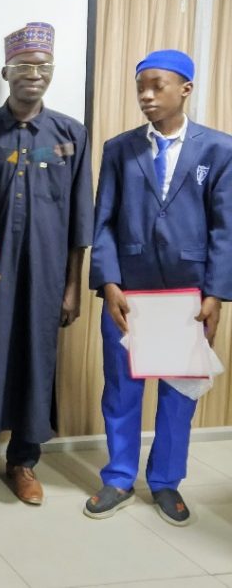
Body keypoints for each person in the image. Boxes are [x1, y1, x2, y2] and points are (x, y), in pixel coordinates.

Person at [84, 49, 232, 526]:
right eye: (140, 87)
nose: (146, 96)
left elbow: (225, 228)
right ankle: (119, 477)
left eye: (157, 86)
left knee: (177, 394)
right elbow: (104, 221)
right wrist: (108, 281)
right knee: (121, 389)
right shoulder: (119, 149)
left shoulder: (219, 150)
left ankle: (166, 481)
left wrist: (215, 293)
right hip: (130, 294)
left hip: (187, 296)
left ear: (185, 89)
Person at [0, 22, 94, 505]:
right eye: (24, 66)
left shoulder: (70, 136)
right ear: (6, 72)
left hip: (45, 277)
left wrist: (72, 286)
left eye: (43, 66)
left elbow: (80, 219)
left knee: (37, 362)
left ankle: (23, 462)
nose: (34, 74)